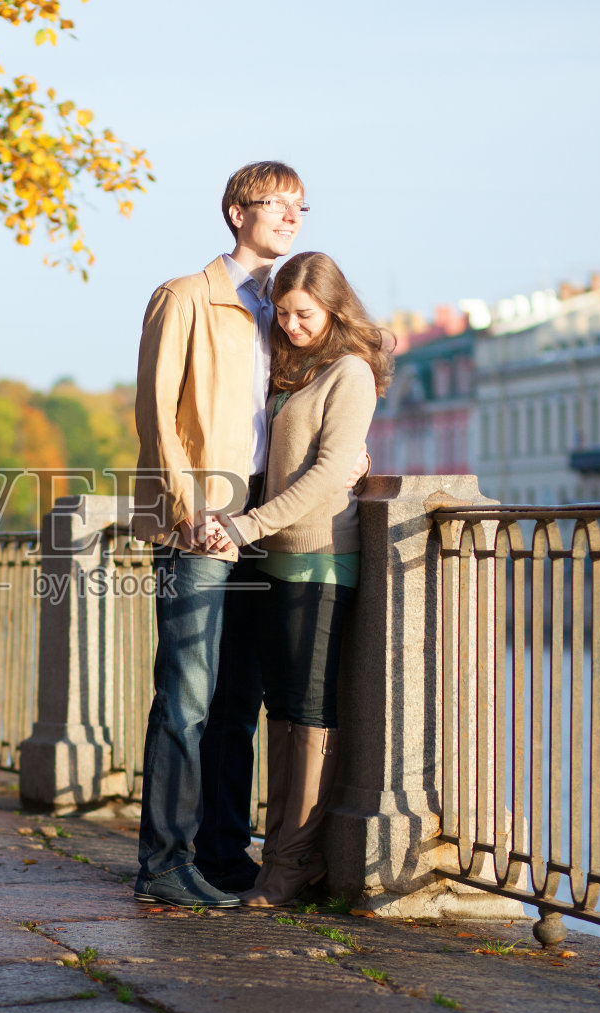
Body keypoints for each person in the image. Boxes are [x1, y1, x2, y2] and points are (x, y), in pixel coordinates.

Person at [128, 161, 309, 908]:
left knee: (238, 700)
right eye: (279, 205)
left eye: (302, 207)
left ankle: (223, 855)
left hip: (261, 524)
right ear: (238, 212)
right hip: (199, 526)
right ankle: (164, 864)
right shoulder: (185, 298)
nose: (293, 218)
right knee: (186, 698)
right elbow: (157, 412)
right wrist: (186, 507)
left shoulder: (283, 308)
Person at [218, 251, 393, 908]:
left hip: (320, 556)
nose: (291, 325)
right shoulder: (288, 369)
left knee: (310, 713)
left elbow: (326, 474)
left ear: (334, 309)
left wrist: (246, 526)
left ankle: (293, 865)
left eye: (304, 314)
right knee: (281, 711)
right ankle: (279, 855)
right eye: (284, 314)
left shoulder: (350, 371)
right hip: (271, 556)